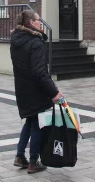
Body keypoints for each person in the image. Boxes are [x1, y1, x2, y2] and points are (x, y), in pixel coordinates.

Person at [10, 10, 62, 174]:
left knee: (30, 121)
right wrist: (54, 93)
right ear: (31, 23)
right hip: (35, 90)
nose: (41, 22)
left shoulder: (16, 40)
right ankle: (33, 161)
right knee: (38, 124)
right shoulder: (35, 42)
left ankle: (20, 156)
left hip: (22, 89)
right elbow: (40, 72)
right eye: (38, 20)